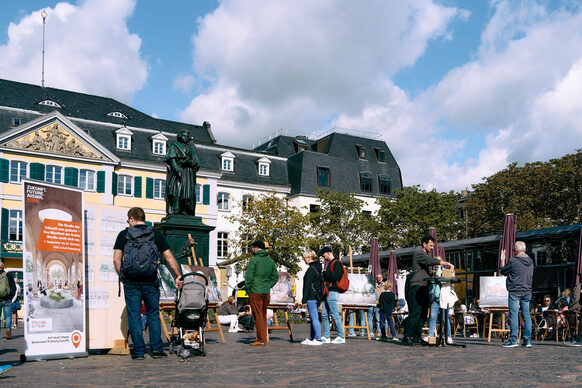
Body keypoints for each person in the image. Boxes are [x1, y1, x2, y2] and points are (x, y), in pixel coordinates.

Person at [113, 207, 183, 360]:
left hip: (131, 281)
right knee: (153, 314)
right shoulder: (156, 234)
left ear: (131, 218)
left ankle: (138, 352)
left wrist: (123, 277)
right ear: (143, 218)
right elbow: (169, 258)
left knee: (134, 315)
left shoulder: (124, 235)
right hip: (150, 281)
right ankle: (157, 350)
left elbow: (116, 259)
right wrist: (178, 276)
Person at [402, 236, 454, 346]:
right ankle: (406, 336)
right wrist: (447, 263)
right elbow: (430, 261)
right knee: (416, 312)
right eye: (430, 245)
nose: (431, 248)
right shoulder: (419, 254)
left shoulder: (424, 256)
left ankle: (416, 336)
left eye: (432, 246)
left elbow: (424, 270)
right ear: (424, 244)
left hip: (424, 287)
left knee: (423, 313)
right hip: (416, 287)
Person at [499, 241, 533, 348]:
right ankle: (527, 340)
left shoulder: (513, 261)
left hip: (515, 291)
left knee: (514, 315)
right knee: (526, 315)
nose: (513, 252)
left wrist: (503, 263)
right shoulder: (531, 261)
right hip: (527, 290)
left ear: (517, 251)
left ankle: (513, 340)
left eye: (513, 250)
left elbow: (503, 271)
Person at [244, 240, 278, 346]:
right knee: (262, 315)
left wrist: (248, 289)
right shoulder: (271, 261)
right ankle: (263, 337)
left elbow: (248, 277)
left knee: (257, 315)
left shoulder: (254, 260)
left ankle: (261, 339)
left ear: (256, 248)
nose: (252, 250)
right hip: (265, 292)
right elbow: (275, 277)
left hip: (255, 291)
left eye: (253, 248)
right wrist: (268, 285)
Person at [165, 129, 200, 216]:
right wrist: (177, 169)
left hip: (189, 173)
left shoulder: (191, 149)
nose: (186, 137)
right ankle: (176, 209)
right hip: (179, 172)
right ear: (180, 137)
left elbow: (197, 163)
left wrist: (190, 162)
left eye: (188, 136)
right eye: (184, 135)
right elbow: (172, 158)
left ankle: (186, 210)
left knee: (188, 193)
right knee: (177, 191)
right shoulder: (175, 146)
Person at [320, 246, 346, 344]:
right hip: (328, 291)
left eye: (324, 255)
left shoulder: (337, 263)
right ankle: (327, 336)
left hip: (332, 291)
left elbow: (335, 276)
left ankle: (341, 336)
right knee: (325, 314)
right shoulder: (332, 263)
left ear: (328, 253)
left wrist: (325, 273)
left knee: (335, 314)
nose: (324, 258)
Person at [301, 249, 323, 346]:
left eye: (305, 257)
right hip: (318, 296)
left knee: (314, 317)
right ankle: (311, 337)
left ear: (309, 258)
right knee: (313, 317)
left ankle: (317, 338)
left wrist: (304, 299)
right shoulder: (318, 268)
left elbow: (307, 285)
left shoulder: (310, 270)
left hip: (311, 296)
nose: (304, 260)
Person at [0, 262, 16, 339]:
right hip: (7, 299)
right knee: (8, 316)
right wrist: (11, 296)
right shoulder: (8, 275)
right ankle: (8, 331)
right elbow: (13, 287)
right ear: (3, 267)